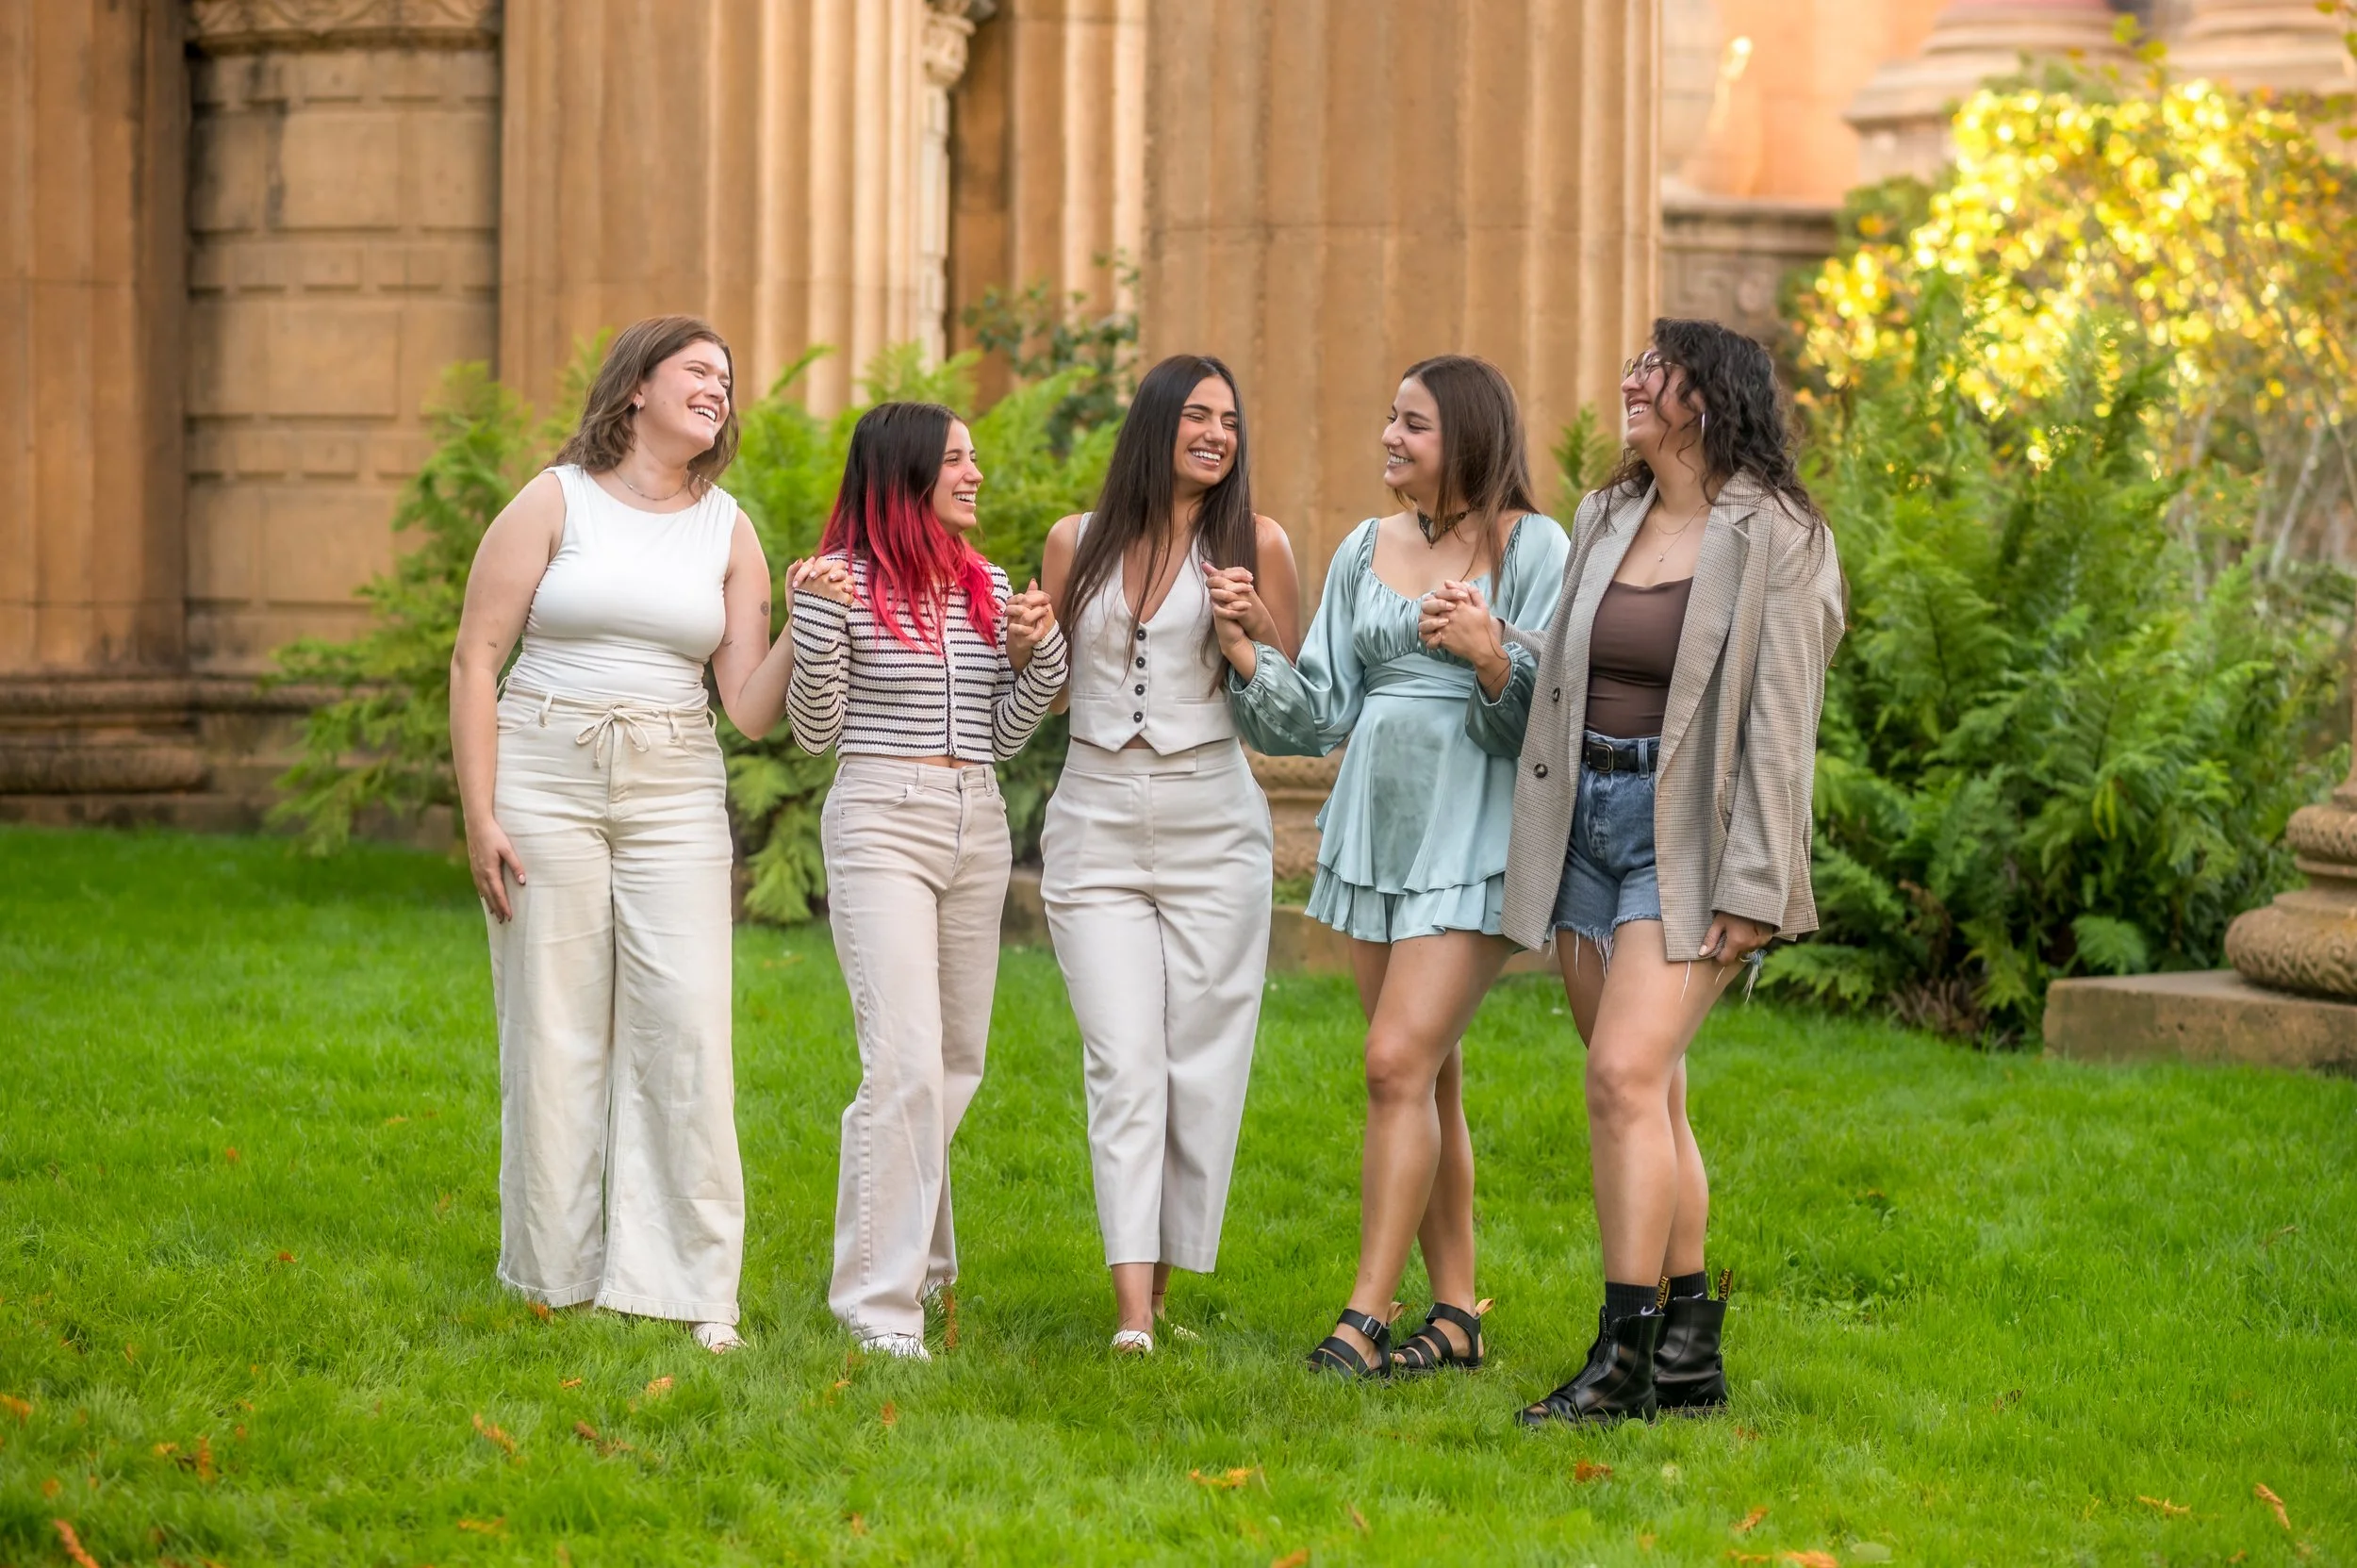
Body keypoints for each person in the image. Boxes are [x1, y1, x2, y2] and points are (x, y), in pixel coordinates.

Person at [1423, 318, 1844, 1425]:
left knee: (1617, 1079)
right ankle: (1690, 1353)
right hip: (1584, 824)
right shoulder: (1609, 514)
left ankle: (1620, 1358)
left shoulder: (1779, 536)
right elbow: (1557, 684)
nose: (1630, 381)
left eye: (1653, 370)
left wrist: (1754, 888)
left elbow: (1780, 722)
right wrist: (1489, 649)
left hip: (1686, 840)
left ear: (1710, 395)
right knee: (1647, 1090)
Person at [451, 314, 810, 1354]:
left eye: (728, 380)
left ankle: (691, 1285)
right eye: (699, 370)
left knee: (686, 1025)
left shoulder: (728, 526)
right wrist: (480, 815)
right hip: (542, 772)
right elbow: (478, 658)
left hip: (672, 783)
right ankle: (553, 1273)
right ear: (638, 387)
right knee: (552, 1019)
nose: (719, 388)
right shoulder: (551, 500)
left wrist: (803, 623)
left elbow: (745, 707)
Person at [1214, 355, 1572, 1378]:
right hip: (1376, 825)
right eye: (1388, 418)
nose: (1389, 438)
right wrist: (1247, 651)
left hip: (1475, 829)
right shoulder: (1365, 547)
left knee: (1393, 1063)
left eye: (1410, 423)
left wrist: (1488, 649)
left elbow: (1549, 711)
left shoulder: (1533, 547)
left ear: (1463, 434)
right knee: (1429, 1076)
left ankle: (1365, 1317)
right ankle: (1456, 1314)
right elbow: (1319, 709)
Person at [787, 401, 1067, 1362]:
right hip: (879, 820)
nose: (975, 474)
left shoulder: (986, 583)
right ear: (906, 472)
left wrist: (1038, 656)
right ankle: (875, 1303)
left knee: (952, 1064)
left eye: (975, 457)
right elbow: (815, 732)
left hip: (976, 820)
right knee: (901, 1067)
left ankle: (926, 1266)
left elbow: (1000, 733)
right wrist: (816, 620)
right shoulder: (842, 584)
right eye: (956, 460)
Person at [1037, 355, 1302, 1355]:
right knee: (1122, 1060)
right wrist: (1026, 648)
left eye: (1229, 420)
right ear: (1155, 424)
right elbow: (1051, 695)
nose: (1217, 434)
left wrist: (1256, 628)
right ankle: (1131, 1316)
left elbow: (1287, 706)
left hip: (1212, 821)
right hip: (1094, 816)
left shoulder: (1257, 542)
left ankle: (1170, 1276)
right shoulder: (1077, 542)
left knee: (1203, 1064)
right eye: (1197, 415)